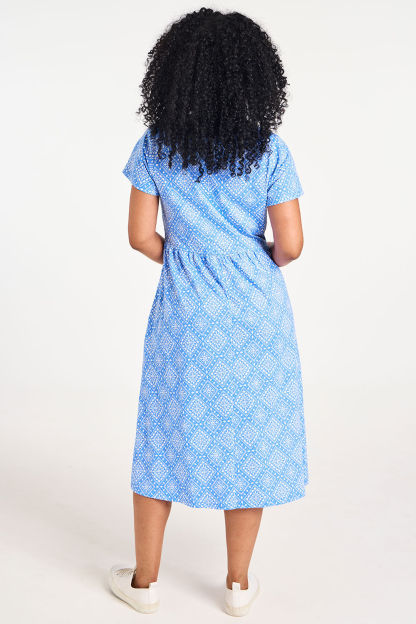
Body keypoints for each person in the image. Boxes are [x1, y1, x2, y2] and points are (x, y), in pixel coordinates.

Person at [110, 7, 308, 616]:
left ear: (173, 74)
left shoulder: (156, 146)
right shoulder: (268, 150)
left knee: (162, 434)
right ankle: (238, 585)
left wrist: (185, 257)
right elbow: (292, 245)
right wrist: (250, 259)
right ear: (256, 78)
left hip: (184, 312)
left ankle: (144, 584)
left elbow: (139, 236)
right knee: (250, 437)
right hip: (255, 312)